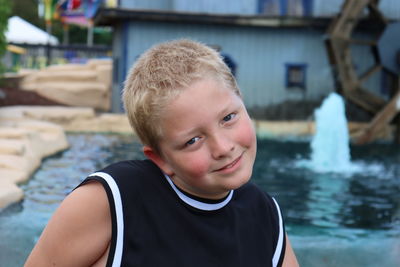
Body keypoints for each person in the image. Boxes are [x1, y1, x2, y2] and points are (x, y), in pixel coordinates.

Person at [25, 39, 299, 267]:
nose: (223, 147)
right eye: (193, 140)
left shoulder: (265, 216)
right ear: (160, 158)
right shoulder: (114, 201)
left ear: (243, 102)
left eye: (228, 117)